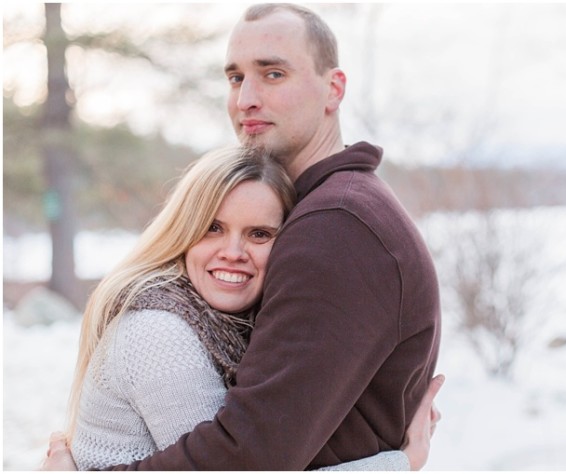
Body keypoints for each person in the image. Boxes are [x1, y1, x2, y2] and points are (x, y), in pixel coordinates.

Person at [46, 3, 443, 470]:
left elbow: (248, 457)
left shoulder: (335, 226)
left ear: (333, 89)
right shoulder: (330, 210)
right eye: (235, 78)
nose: (245, 99)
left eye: (272, 74)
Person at [52, 147, 437, 470]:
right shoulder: (160, 333)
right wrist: (399, 462)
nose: (233, 253)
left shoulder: (227, 325)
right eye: (213, 228)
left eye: (259, 234)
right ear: (183, 233)